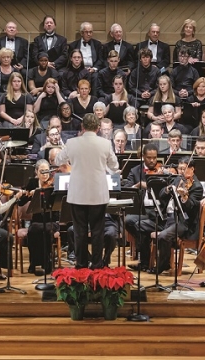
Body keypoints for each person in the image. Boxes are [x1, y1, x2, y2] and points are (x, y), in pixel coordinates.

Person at [55, 113, 119, 269]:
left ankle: (81, 265)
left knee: (79, 232)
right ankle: (97, 265)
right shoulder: (104, 144)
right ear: (98, 128)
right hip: (98, 194)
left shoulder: (71, 142)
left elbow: (57, 161)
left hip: (78, 194)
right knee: (97, 231)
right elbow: (115, 166)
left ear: (82, 127)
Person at [129, 156, 203, 274]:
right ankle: (144, 262)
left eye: (184, 169)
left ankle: (163, 266)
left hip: (182, 222)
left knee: (163, 236)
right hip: (166, 219)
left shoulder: (197, 187)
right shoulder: (177, 179)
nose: (181, 172)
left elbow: (191, 207)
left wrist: (184, 197)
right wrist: (168, 189)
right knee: (139, 225)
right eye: (179, 169)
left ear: (192, 169)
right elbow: (161, 193)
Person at [18, 159, 59, 274]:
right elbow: (21, 203)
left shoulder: (54, 183)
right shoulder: (32, 183)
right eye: (42, 171)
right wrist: (27, 195)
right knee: (34, 230)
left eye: (47, 171)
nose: (45, 175)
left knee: (46, 230)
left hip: (52, 220)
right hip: (36, 221)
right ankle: (34, 263)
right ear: (36, 172)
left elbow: (58, 203)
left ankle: (47, 262)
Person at [69, 22, 103, 96]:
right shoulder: (73, 45)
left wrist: (94, 69)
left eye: (90, 32)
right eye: (86, 32)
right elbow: (70, 60)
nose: (89, 34)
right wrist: (81, 68)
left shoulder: (97, 44)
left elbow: (100, 60)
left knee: (95, 76)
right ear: (81, 33)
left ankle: (94, 99)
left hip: (92, 70)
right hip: (79, 69)